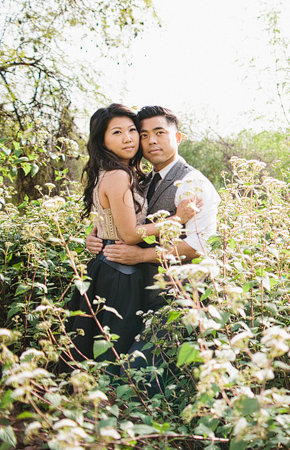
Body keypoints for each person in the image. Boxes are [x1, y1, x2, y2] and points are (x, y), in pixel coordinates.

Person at [84, 105, 220, 381]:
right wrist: (98, 234)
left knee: (139, 376)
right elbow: (125, 219)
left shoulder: (192, 183)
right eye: (143, 134)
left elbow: (198, 247)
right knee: (112, 365)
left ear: (177, 137)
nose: (150, 141)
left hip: (176, 297)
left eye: (159, 133)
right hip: (136, 292)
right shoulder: (142, 179)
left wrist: (141, 257)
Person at [60, 104, 198, 372]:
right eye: (117, 132)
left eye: (133, 131)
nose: (129, 139)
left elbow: (109, 220)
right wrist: (176, 219)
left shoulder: (122, 172)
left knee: (98, 341)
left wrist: (98, 233)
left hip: (110, 264)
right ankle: (105, 403)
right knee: (115, 344)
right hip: (119, 271)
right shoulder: (119, 174)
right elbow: (129, 234)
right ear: (102, 140)